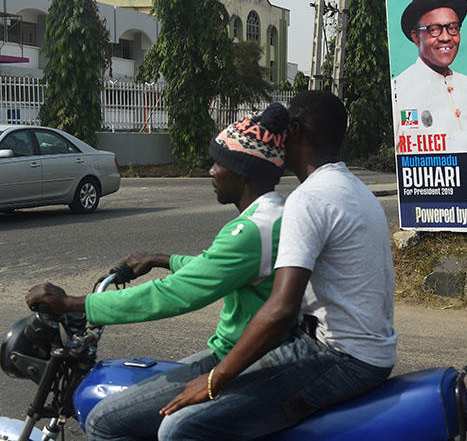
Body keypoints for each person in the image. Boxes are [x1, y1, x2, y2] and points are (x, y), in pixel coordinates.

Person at [25, 103, 290, 439]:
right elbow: (216, 269)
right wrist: (163, 259)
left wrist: (76, 303)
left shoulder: (251, 231)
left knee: (103, 420)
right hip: (248, 350)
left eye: (218, 163)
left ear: (243, 172)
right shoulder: (274, 216)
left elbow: (174, 295)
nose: (210, 172)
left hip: (239, 356)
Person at [153, 90, 397, 440]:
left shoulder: (309, 200)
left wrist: (214, 380)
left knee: (179, 428)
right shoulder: (352, 188)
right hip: (367, 352)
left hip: (341, 357)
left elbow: (281, 309)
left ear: (294, 133)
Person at [392, 0, 467, 142]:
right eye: (434, 29)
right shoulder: (399, 91)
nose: (445, 37)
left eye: (453, 28)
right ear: (416, 37)